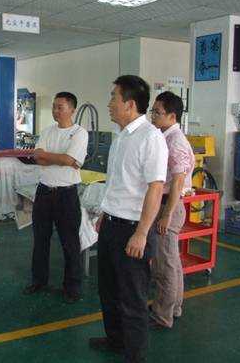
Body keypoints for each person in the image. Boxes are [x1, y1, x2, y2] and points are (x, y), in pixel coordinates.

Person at [89, 75, 168, 363]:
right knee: (108, 290)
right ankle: (115, 340)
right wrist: (105, 213)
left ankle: (135, 355)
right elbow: (117, 182)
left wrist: (142, 233)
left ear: (130, 104)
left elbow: (155, 188)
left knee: (132, 298)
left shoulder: (151, 138)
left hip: (133, 230)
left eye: (114, 97)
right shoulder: (121, 136)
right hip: (111, 224)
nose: (109, 103)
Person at [23, 92, 88, 304]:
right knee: (40, 240)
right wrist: (61, 159)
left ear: (72, 109)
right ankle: (39, 281)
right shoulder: (47, 131)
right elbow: (39, 158)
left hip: (66, 194)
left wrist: (56, 158)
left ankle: (72, 287)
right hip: (44, 192)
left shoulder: (79, 133)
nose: (55, 111)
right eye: (54, 107)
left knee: (70, 242)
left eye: (60, 107)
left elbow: (69, 159)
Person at [149, 91, 194, 329]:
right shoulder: (164, 137)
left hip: (169, 205)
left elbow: (177, 182)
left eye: (158, 112)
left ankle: (162, 316)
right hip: (166, 203)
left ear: (172, 116)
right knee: (172, 262)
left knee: (164, 264)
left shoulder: (175, 141)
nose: (153, 116)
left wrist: (166, 215)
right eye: (153, 111)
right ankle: (173, 307)